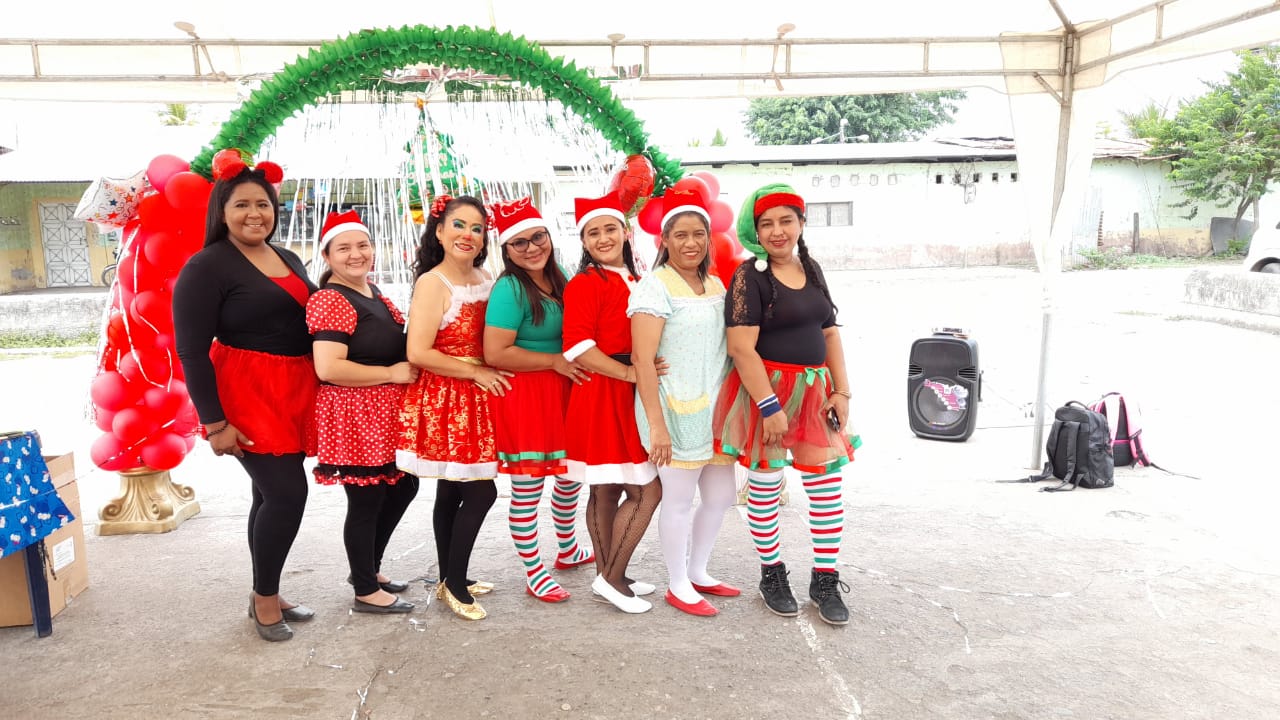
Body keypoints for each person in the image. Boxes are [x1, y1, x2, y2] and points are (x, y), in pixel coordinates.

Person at [173, 157, 318, 642]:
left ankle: (266, 591)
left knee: (267, 494)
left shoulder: (288, 257)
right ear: (222, 211)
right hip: (246, 392)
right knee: (287, 494)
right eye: (242, 205)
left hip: (294, 388)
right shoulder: (206, 266)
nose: (254, 213)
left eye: (263, 204)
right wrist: (215, 423)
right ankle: (264, 599)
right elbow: (191, 352)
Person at [712, 182, 860, 627]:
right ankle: (771, 573)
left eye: (786, 221)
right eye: (767, 223)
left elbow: (829, 332)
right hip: (767, 393)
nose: (777, 231)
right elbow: (741, 348)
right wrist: (769, 407)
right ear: (754, 230)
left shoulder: (810, 267)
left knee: (826, 488)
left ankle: (825, 578)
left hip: (815, 392)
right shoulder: (749, 276)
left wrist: (842, 390)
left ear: (801, 223)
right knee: (765, 484)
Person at [397, 195, 510, 621]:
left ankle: (450, 576)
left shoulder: (486, 276)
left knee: (452, 489)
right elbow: (418, 351)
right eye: (459, 225)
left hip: (478, 395)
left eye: (477, 228)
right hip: (448, 397)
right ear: (440, 232)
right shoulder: (433, 283)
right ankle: (456, 585)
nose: (468, 235)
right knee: (481, 491)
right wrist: (474, 373)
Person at [630, 188, 738, 617]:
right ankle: (677, 583)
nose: (691, 243)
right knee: (678, 500)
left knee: (721, 496)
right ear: (664, 241)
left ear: (710, 239)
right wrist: (656, 426)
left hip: (715, 408)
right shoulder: (654, 287)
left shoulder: (714, 283)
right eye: (680, 235)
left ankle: (698, 571)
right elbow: (642, 360)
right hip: (674, 410)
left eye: (699, 234)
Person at [307, 211, 419, 615]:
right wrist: (390, 373)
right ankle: (366, 589)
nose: (356, 254)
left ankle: (367, 570)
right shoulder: (331, 299)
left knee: (403, 487)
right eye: (344, 248)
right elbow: (328, 367)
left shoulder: (373, 292)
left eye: (363, 245)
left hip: (383, 412)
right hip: (355, 412)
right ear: (327, 256)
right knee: (366, 500)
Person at [483, 198, 594, 604]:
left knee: (568, 478)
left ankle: (568, 549)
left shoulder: (559, 276)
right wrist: (554, 361)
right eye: (519, 242)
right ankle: (534, 571)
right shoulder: (510, 288)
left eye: (538, 237)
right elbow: (495, 352)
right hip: (528, 397)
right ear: (506, 250)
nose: (532, 248)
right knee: (528, 488)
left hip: (566, 390)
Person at [562, 193, 661, 614]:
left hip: (628, 389)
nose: (603, 238)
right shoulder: (586, 283)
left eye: (609, 229)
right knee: (644, 491)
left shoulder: (638, 279)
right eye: (593, 233)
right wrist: (629, 373)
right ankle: (612, 577)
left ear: (626, 232)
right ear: (583, 241)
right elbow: (577, 346)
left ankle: (609, 574)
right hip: (604, 392)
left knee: (610, 488)